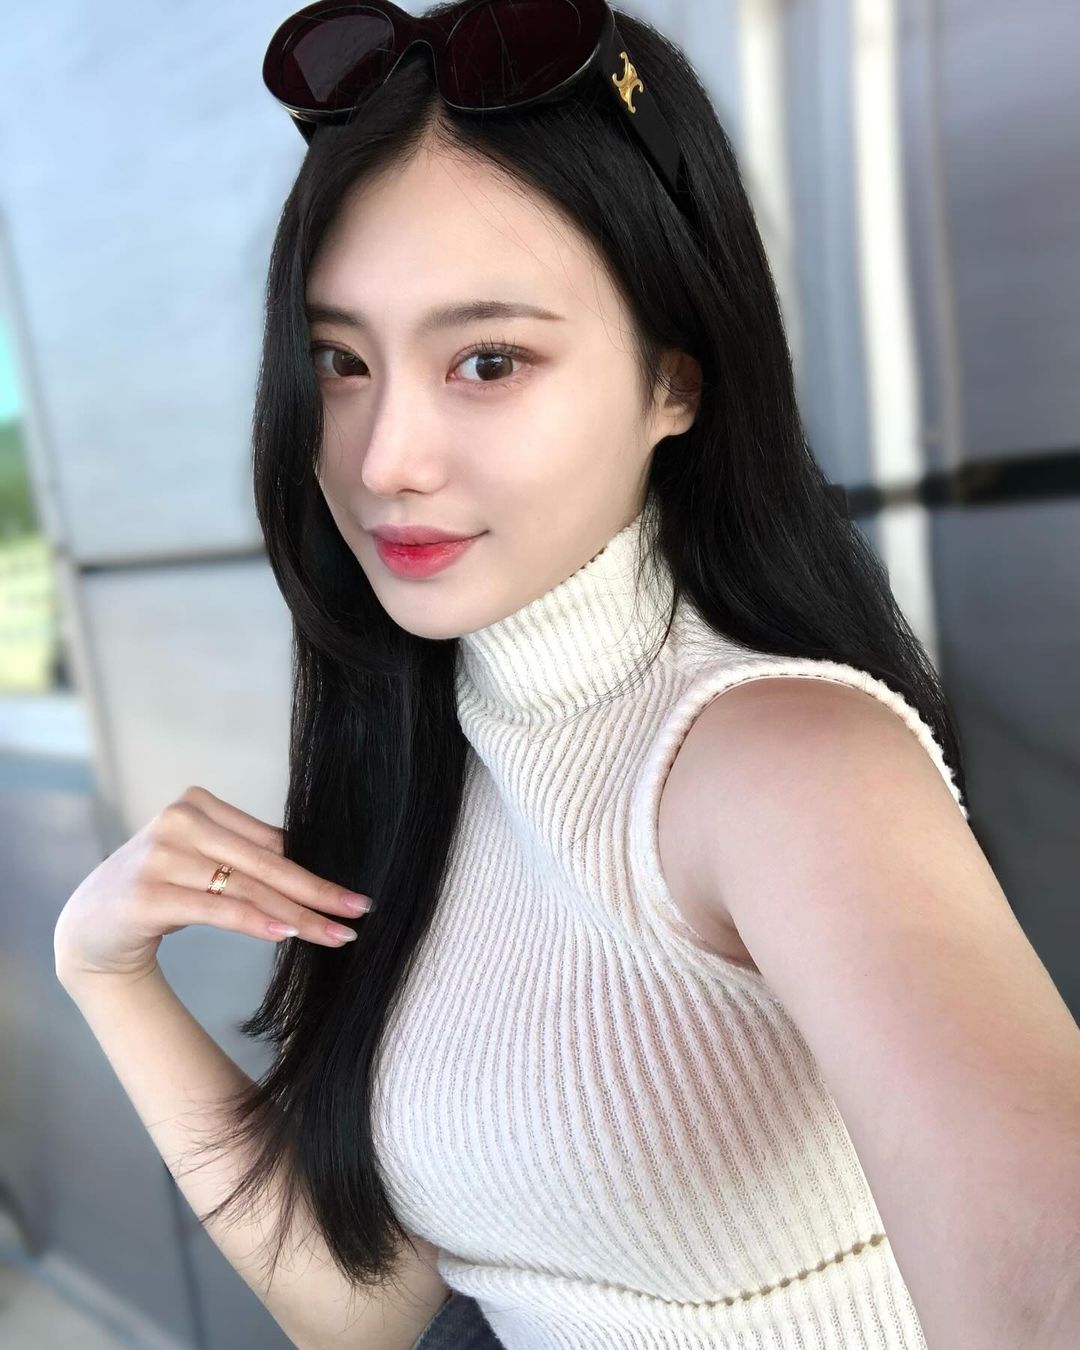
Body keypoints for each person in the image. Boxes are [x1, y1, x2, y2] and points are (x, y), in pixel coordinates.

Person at [54, 3, 1080, 1348]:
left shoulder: (785, 764)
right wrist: (104, 970)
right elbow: (364, 1310)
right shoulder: (430, 747)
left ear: (676, 381)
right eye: (339, 361)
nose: (384, 458)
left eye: (488, 361)